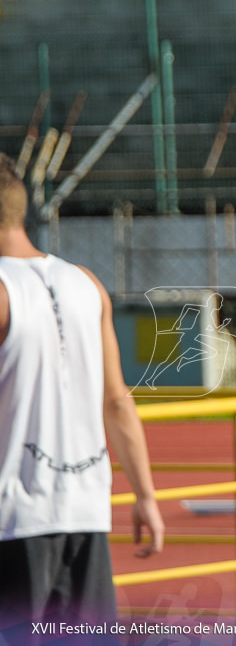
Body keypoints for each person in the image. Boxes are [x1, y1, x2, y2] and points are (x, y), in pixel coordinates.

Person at [0, 153, 165, 631]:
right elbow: (117, 400)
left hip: (14, 517)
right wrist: (145, 496)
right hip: (84, 510)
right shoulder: (85, 282)